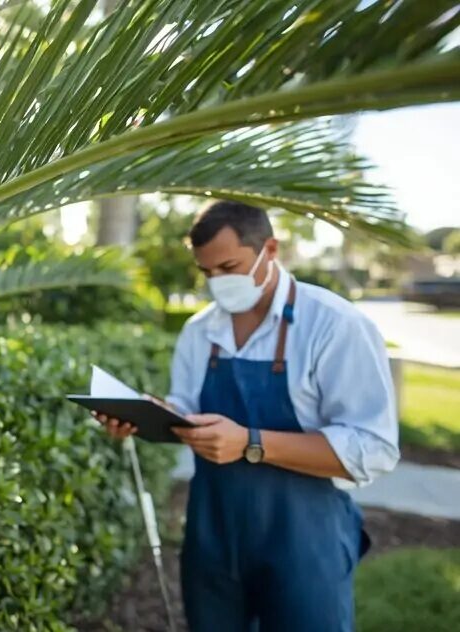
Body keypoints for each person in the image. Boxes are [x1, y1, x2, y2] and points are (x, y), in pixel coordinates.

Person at [95, 200, 399, 632]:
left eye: (229, 266)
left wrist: (252, 442)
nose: (217, 282)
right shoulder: (200, 331)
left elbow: (374, 449)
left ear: (270, 250)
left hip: (304, 542)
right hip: (213, 537)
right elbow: (186, 410)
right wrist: (149, 416)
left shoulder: (335, 325)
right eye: (207, 273)